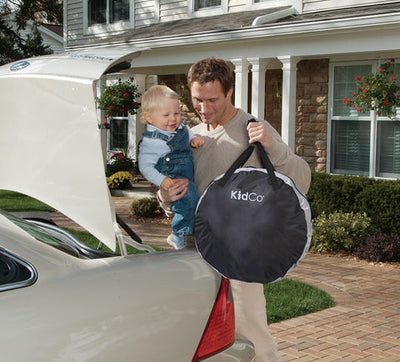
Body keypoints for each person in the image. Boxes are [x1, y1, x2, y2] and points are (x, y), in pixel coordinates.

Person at [158, 57, 311, 361]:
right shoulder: (189, 137)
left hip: (240, 254)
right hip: (193, 247)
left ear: (229, 93)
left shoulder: (252, 129)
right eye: (197, 99)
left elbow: (302, 182)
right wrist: (165, 195)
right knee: (197, 335)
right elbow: (174, 201)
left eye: (212, 99)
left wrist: (272, 146)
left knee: (251, 335)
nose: (204, 108)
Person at [138, 85, 204, 249]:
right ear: (149, 118)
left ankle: (188, 231)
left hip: (187, 174)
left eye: (177, 113)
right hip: (174, 178)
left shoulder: (179, 128)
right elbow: (145, 167)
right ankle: (179, 233)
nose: (173, 119)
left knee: (194, 202)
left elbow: (186, 131)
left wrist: (193, 139)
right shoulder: (152, 142)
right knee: (188, 202)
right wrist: (161, 180)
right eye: (166, 115)